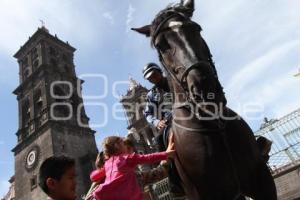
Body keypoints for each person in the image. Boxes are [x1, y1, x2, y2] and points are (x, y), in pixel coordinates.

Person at [143, 63, 185, 198]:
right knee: (159, 139)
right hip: (168, 121)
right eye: (150, 78)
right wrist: (157, 122)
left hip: (187, 111)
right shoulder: (151, 94)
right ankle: (174, 183)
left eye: (154, 75)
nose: (153, 78)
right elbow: (148, 114)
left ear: (159, 71)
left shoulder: (174, 79)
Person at [91, 135, 175, 200]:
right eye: (127, 148)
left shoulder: (100, 186)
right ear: (117, 147)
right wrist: (167, 154)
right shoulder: (128, 163)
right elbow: (150, 161)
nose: (132, 153)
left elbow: (93, 176)